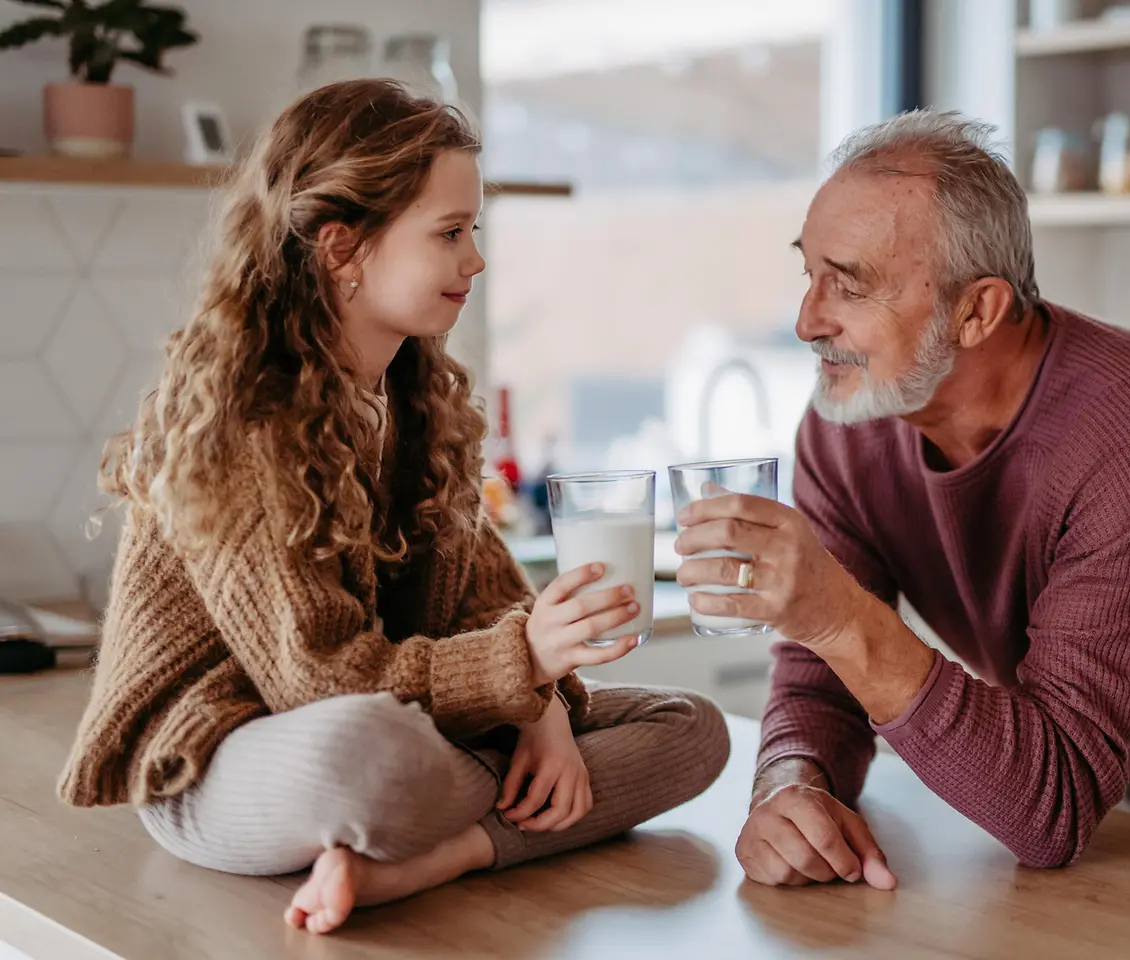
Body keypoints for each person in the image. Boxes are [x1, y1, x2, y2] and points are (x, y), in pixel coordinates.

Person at [57, 79, 729, 935]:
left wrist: (547, 707)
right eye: (449, 234)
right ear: (344, 250)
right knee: (371, 754)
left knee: (693, 727)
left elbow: (490, 599)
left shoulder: (416, 396)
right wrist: (519, 667)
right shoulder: (247, 420)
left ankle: (433, 855)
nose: (474, 260)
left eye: (472, 231)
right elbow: (319, 682)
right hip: (233, 760)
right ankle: (436, 823)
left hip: (395, 729)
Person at [674, 110, 1130, 885]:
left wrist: (834, 612)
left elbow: (1052, 812)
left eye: (847, 286)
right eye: (809, 273)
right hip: (1075, 754)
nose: (806, 320)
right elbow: (824, 678)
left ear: (977, 310)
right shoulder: (849, 424)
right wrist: (792, 781)